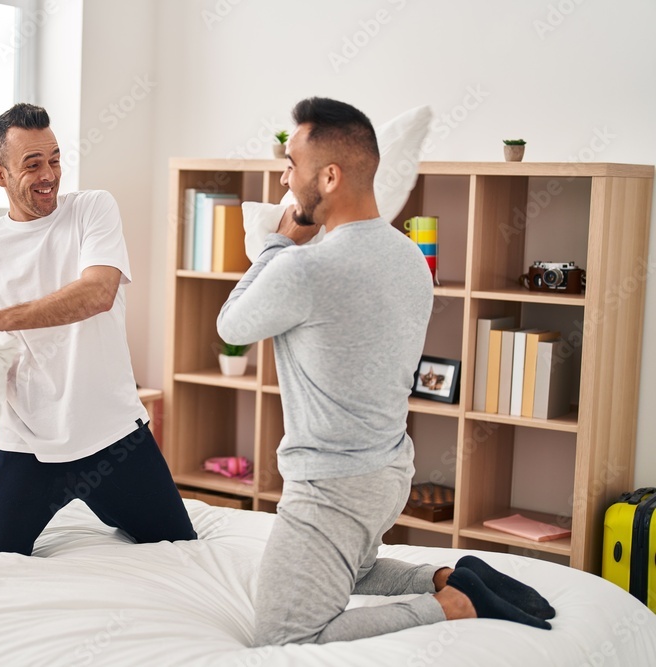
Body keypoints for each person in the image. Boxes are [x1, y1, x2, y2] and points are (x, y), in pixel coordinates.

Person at [217, 97, 554, 645]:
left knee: (286, 636)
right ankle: (449, 575)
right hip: (387, 471)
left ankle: (453, 604)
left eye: (291, 165)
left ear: (328, 176)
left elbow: (231, 324)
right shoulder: (409, 258)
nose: (283, 178)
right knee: (353, 567)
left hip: (330, 486)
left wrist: (279, 241)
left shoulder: (304, 268)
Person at [0, 103, 196, 556]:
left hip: (111, 434)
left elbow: (98, 294)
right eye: (32, 164)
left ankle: (85, 496)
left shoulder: (92, 210)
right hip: (30, 443)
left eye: (54, 159)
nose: (48, 174)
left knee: (177, 543)